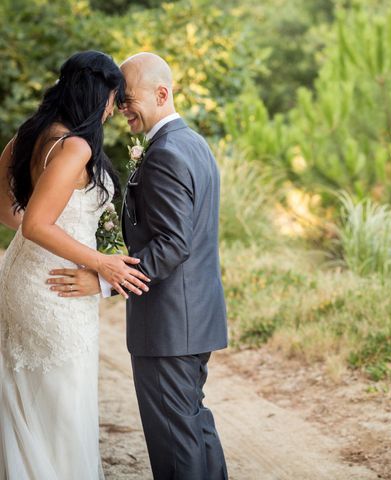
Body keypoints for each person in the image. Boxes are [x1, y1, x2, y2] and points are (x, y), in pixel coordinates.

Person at [49, 52, 229, 480]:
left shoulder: (166, 153)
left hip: (168, 325)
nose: (120, 106)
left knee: (174, 439)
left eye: (127, 97)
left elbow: (172, 244)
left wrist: (104, 280)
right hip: (194, 318)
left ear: (161, 94)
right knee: (193, 425)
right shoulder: (194, 143)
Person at [0, 51, 150, 479]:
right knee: (63, 400)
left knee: (26, 392)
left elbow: (10, 214)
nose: (112, 110)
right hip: (55, 287)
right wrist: (102, 261)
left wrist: (56, 222)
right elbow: (35, 224)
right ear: (98, 94)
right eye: (112, 99)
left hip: (23, 274)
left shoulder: (29, 135)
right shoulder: (76, 146)